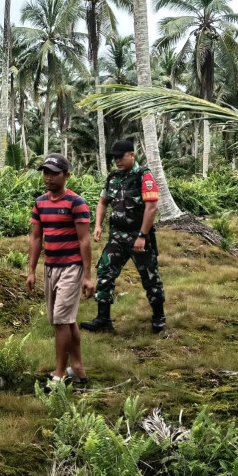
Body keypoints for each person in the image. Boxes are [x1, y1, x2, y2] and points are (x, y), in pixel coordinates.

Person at [80, 139, 165, 334]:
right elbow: (103, 202)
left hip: (139, 236)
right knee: (104, 271)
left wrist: (142, 235)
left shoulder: (144, 176)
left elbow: (151, 207)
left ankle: (159, 316)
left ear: (132, 155)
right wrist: (98, 225)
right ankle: (103, 320)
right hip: (117, 236)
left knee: (150, 277)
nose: (117, 160)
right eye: (115, 157)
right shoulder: (113, 177)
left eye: (121, 157)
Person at [26, 153, 94, 386]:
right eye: (45, 172)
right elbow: (36, 238)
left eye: (54, 173)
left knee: (60, 320)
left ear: (66, 175)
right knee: (66, 320)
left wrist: (87, 277)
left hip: (71, 267)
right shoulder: (40, 203)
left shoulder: (77, 203)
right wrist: (32, 270)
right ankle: (78, 367)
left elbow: (84, 241)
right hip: (50, 267)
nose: (48, 177)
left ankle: (59, 373)